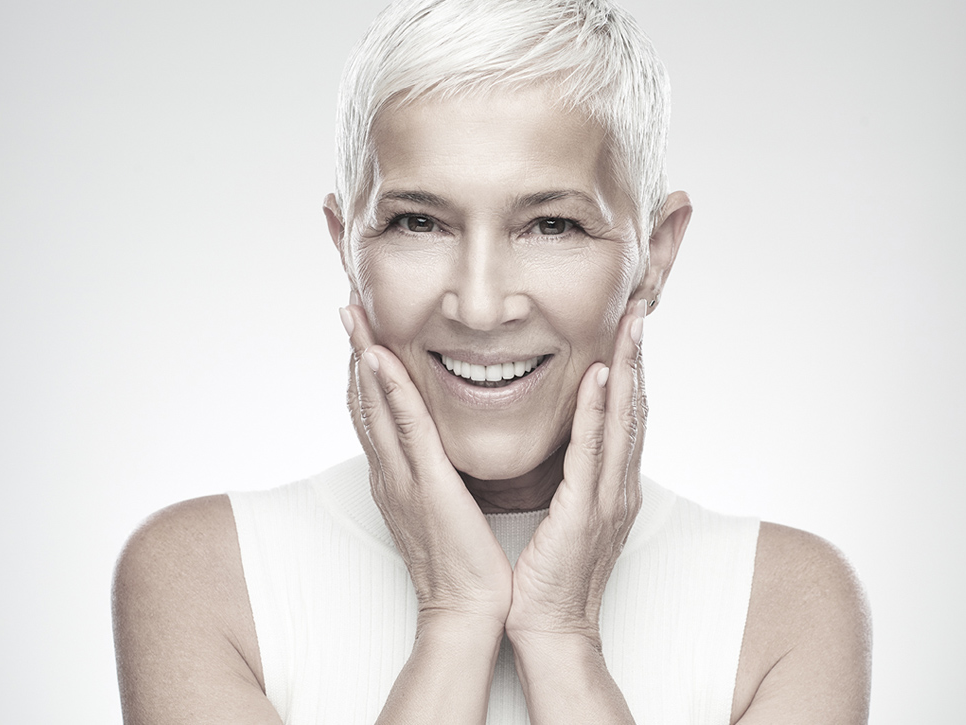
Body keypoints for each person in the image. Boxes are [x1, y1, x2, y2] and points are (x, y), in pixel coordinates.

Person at [112, 0, 872, 722]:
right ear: (347, 247)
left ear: (654, 256)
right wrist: (455, 615)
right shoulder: (205, 579)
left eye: (552, 225)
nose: (479, 307)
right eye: (418, 222)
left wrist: (563, 636)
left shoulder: (786, 609)